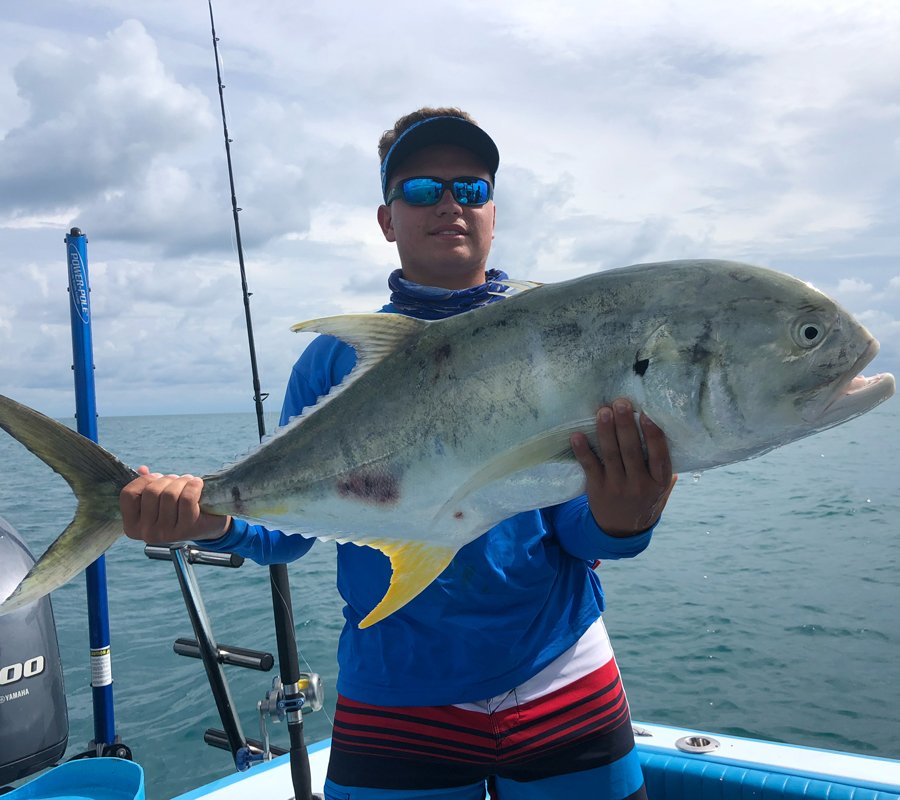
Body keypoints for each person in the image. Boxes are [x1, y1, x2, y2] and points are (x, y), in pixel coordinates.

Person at [121, 107, 677, 800]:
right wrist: (206, 516)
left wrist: (627, 519)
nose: (450, 204)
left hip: (558, 670)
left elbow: (574, 527)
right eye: (422, 190)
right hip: (397, 691)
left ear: (494, 214)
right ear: (388, 218)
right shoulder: (337, 362)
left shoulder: (562, 339)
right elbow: (287, 531)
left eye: (471, 190)